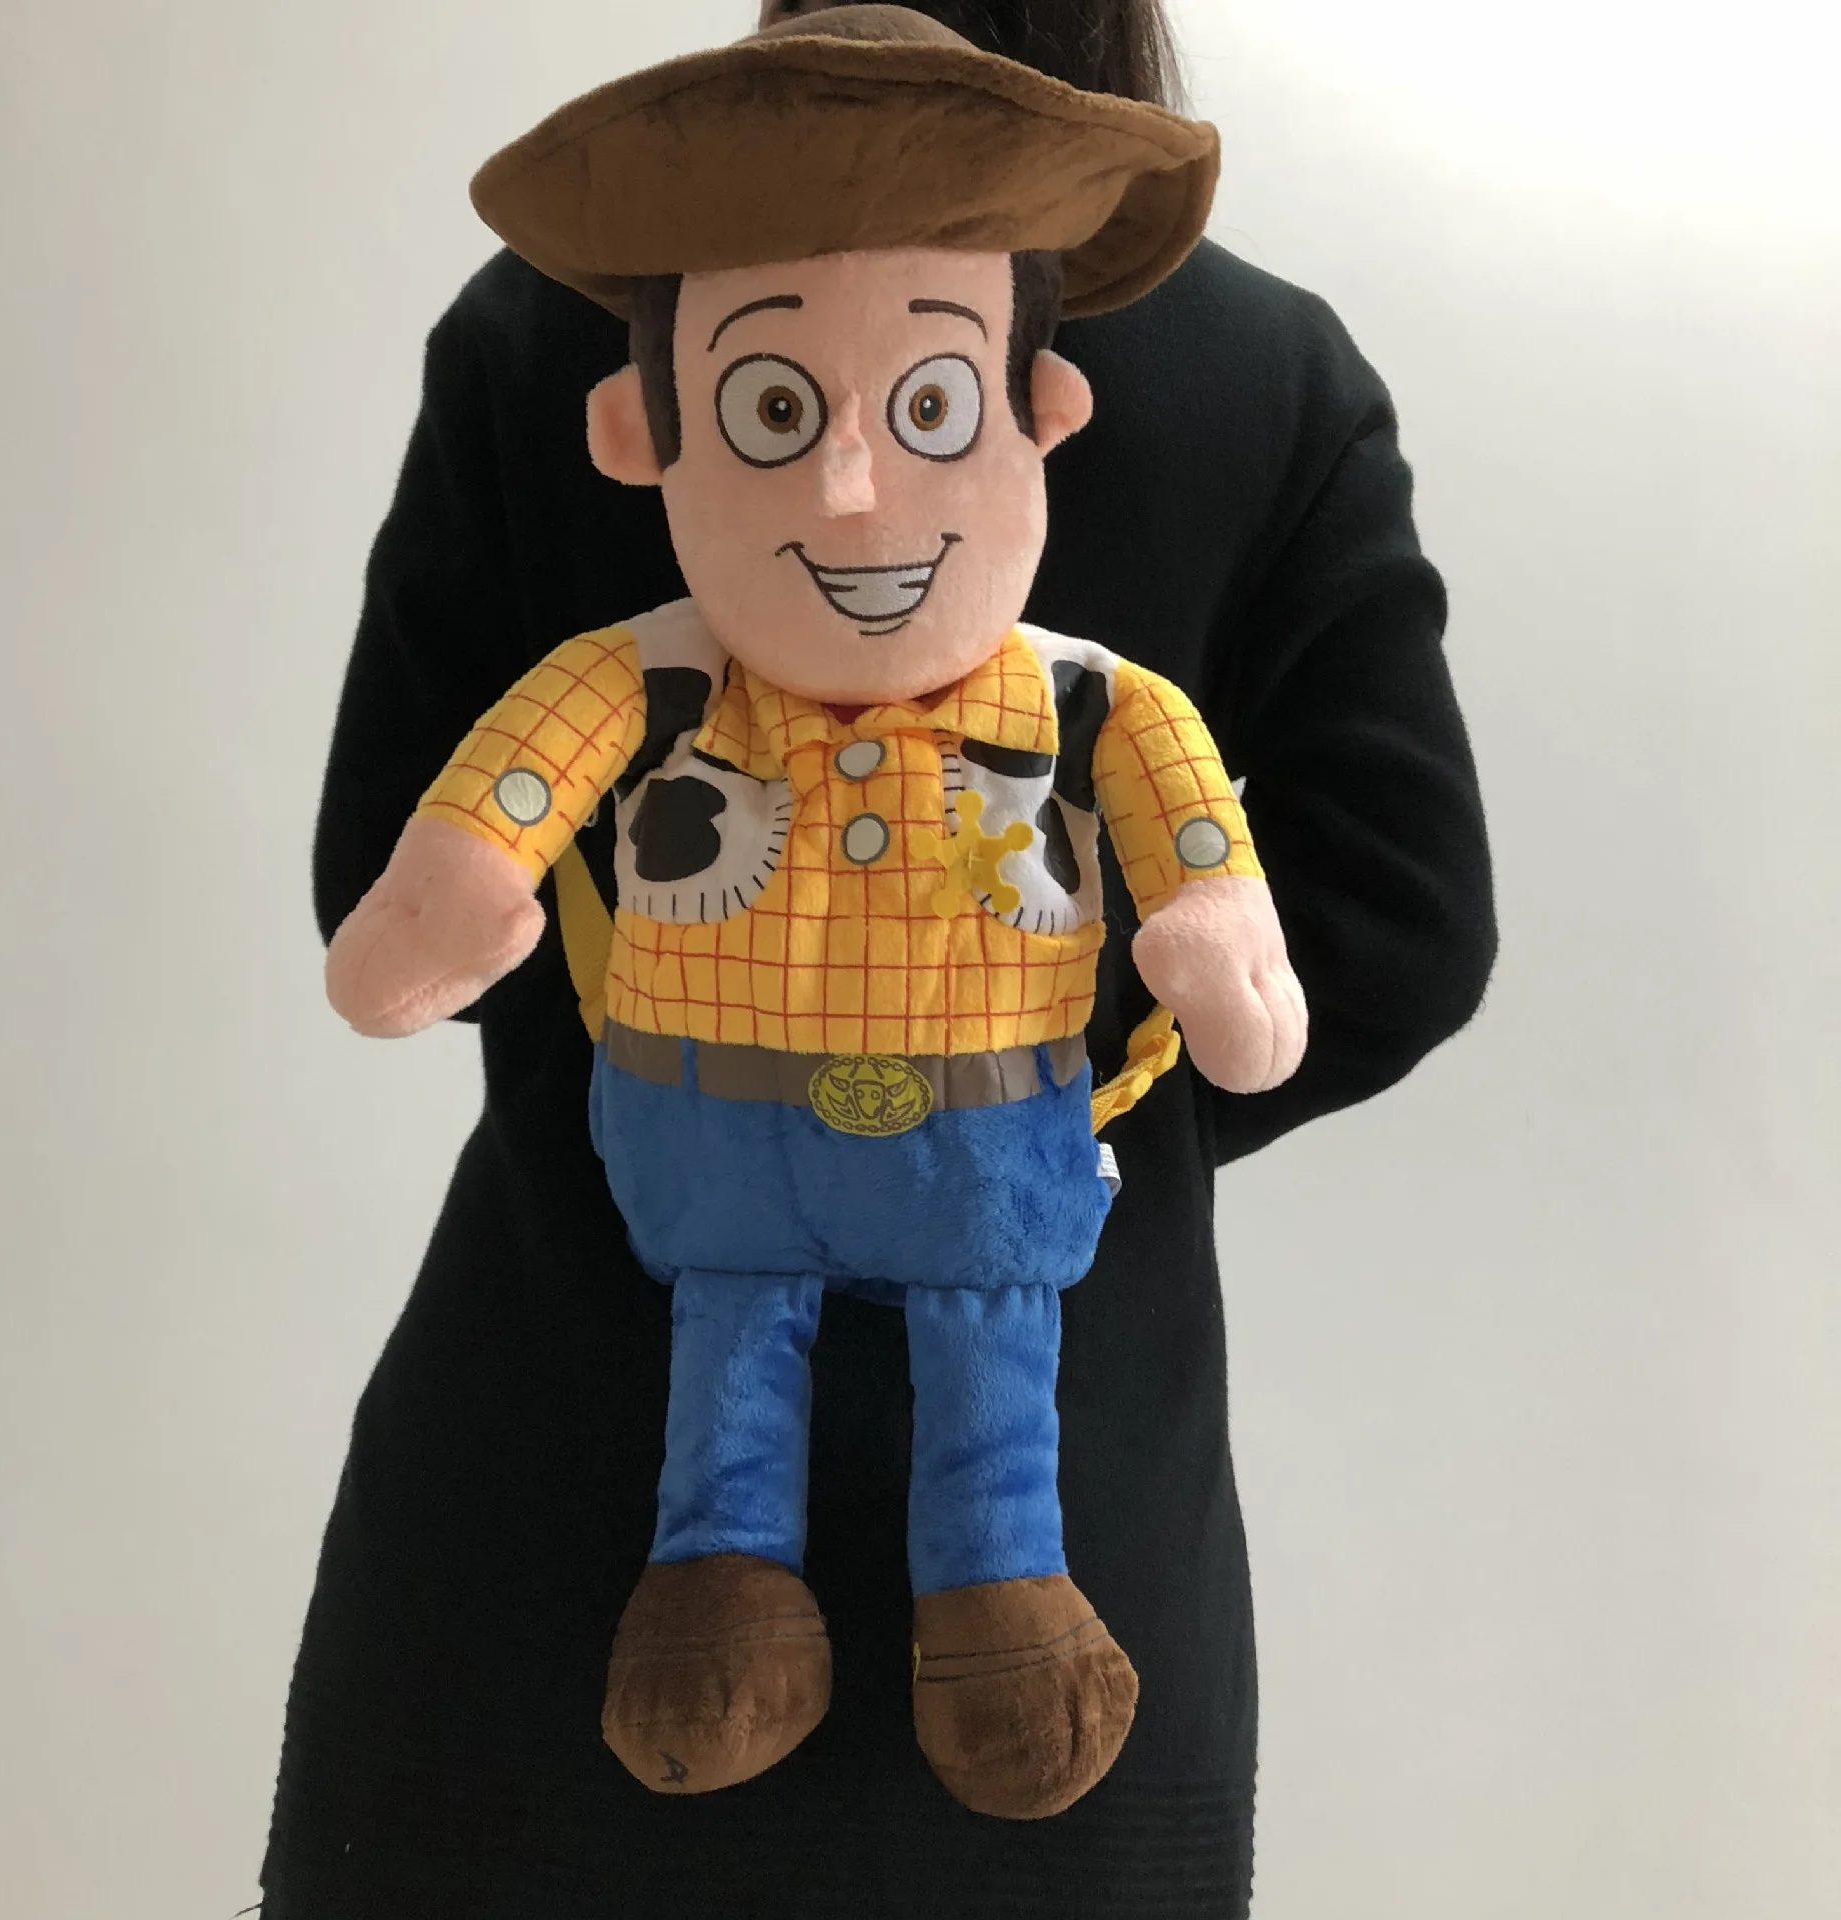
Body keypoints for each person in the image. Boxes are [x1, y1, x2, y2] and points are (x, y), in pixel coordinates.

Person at [263, 1, 1496, 1914]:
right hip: (1072, 1588)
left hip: (549, 1537)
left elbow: (388, 878)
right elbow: (1407, 927)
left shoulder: (562, 312)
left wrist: (679, 1050)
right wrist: (1049, 1099)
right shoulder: (1264, 362)